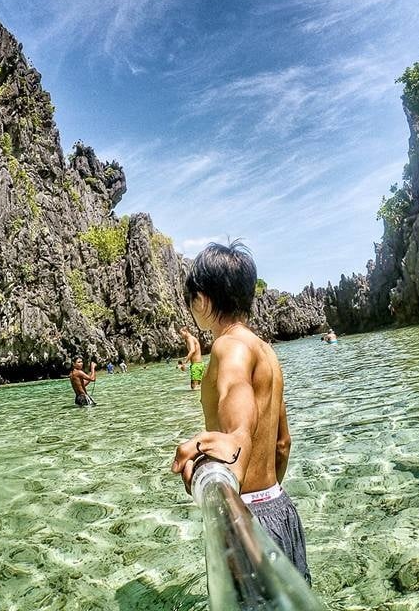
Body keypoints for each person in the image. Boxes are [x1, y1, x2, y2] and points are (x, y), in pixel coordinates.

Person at [172, 241, 310, 583]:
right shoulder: (266, 352)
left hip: (245, 516)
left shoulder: (227, 346)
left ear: (202, 299)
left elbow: (238, 409)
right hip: (280, 507)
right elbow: (283, 444)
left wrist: (232, 445)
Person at [179, 326, 205, 390]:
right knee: (199, 388)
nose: (181, 336)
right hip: (199, 365)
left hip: (196, 366)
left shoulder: (190, 339)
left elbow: (192, 350)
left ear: (186, 331)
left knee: (194, 388)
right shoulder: (192, 339)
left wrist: (185, 362)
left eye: (181, 333)